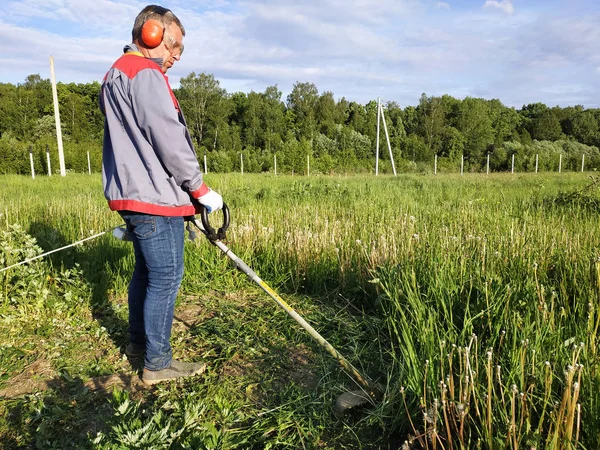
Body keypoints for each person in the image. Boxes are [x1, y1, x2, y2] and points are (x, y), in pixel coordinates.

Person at [100, 4, 222, 385]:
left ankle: (138, 345)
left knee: (147, 272)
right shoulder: (144, 73)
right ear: (151, 33)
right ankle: (158, 363)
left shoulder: (116, 73)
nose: (175, 57)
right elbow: (167, 136)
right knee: (167, 275)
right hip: (153, 196)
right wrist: (199, 187)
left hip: (132, 194)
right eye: (173, 46)